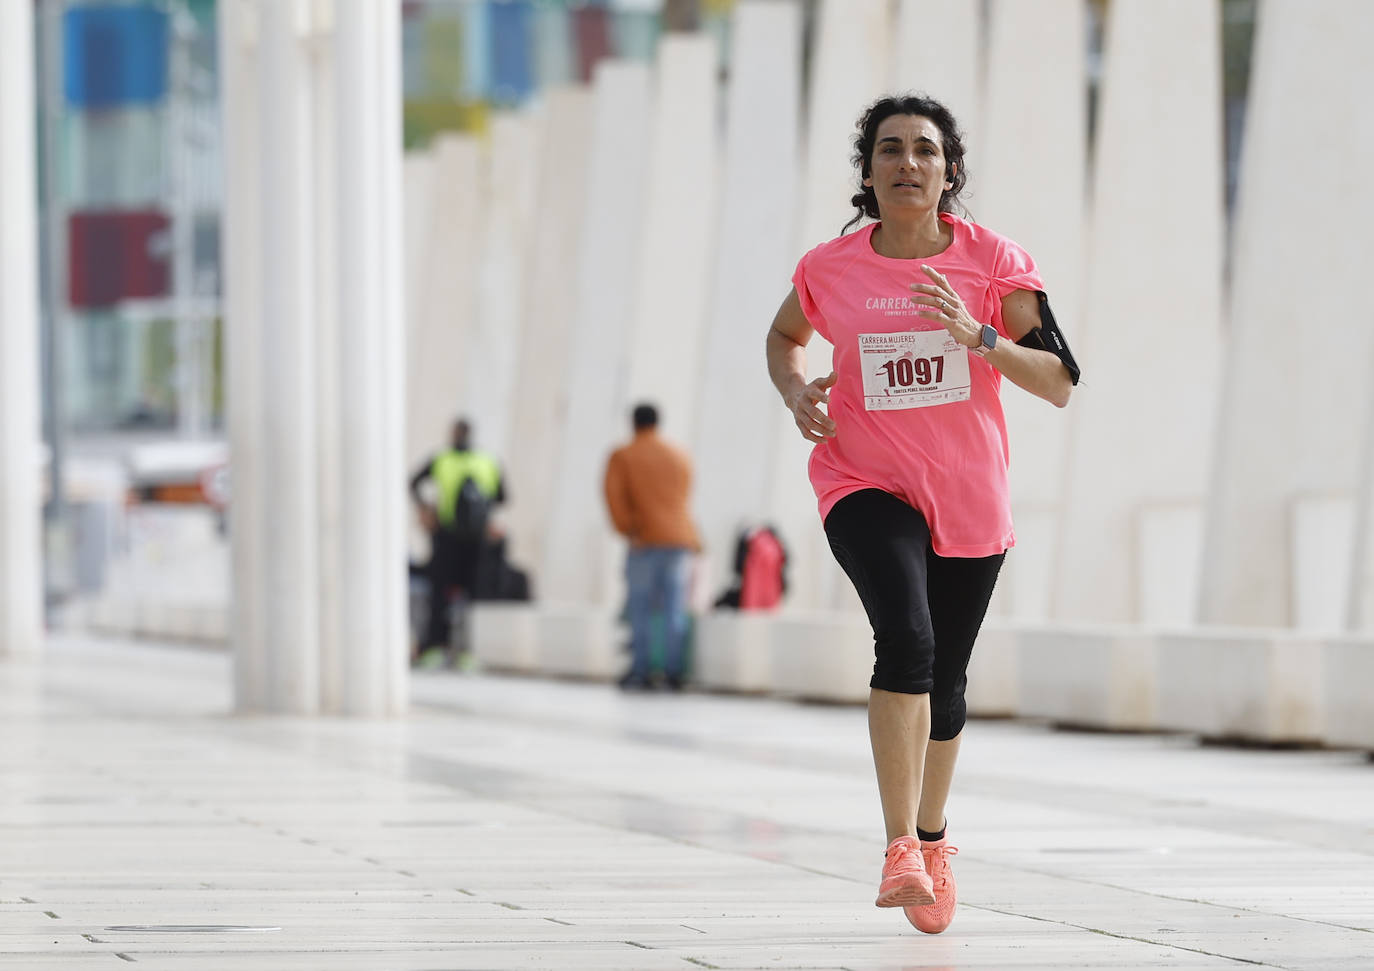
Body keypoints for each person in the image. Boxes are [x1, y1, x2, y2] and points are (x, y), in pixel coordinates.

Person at [764, 94, 1080, 934]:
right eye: (891, 150)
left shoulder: (996, 260)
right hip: (862, 480)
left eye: (925, 151)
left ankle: (935, 838)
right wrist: (798, 390)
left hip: (970, 497)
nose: (908, 163)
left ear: (949, 170)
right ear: (867, 172)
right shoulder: (829, 267)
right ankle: (900, 843)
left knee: (946, 682)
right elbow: (783, 338)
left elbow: (1058, 381)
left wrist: (978, 336)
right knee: (905, 637)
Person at [603, 403, 701, 691]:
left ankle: (641, 671)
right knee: (674, 608)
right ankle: (673, 673)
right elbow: (683, 495)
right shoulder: (679, 455)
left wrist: (629, 529)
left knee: (641, 607)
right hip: (680, 539)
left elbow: (614, 498)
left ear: (633, 423)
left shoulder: (623, 455)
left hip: (645, 540)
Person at [410, 418, 506, 660]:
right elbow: (501, 497)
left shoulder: (475, 460)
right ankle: (439, 648)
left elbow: (502, 496)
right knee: (444, 595)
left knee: (469, 596)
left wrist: (425, 509)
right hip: (452, 536)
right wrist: (426, 510)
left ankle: (464, 651)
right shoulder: (481, 460)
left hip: (467, 539)